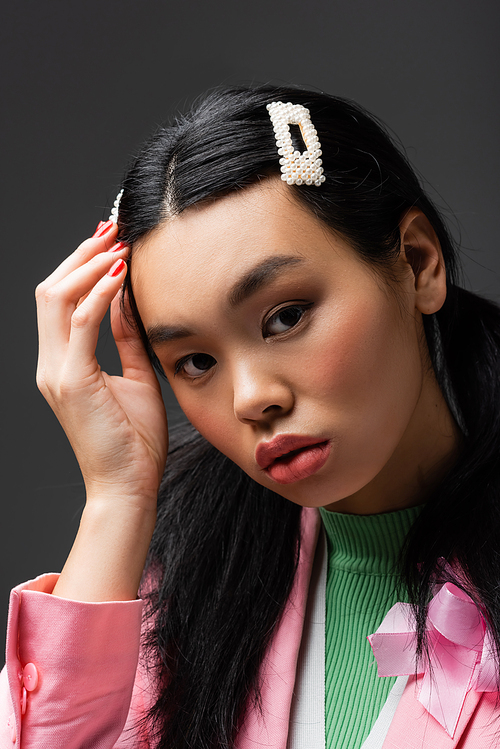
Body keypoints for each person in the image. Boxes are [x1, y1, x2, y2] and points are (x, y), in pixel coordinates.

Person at [2, 85, 500, 749]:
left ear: (417, 262)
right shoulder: (187, 606)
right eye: (196, 361)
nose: (251, 397)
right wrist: (117, 501)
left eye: (286, 316)